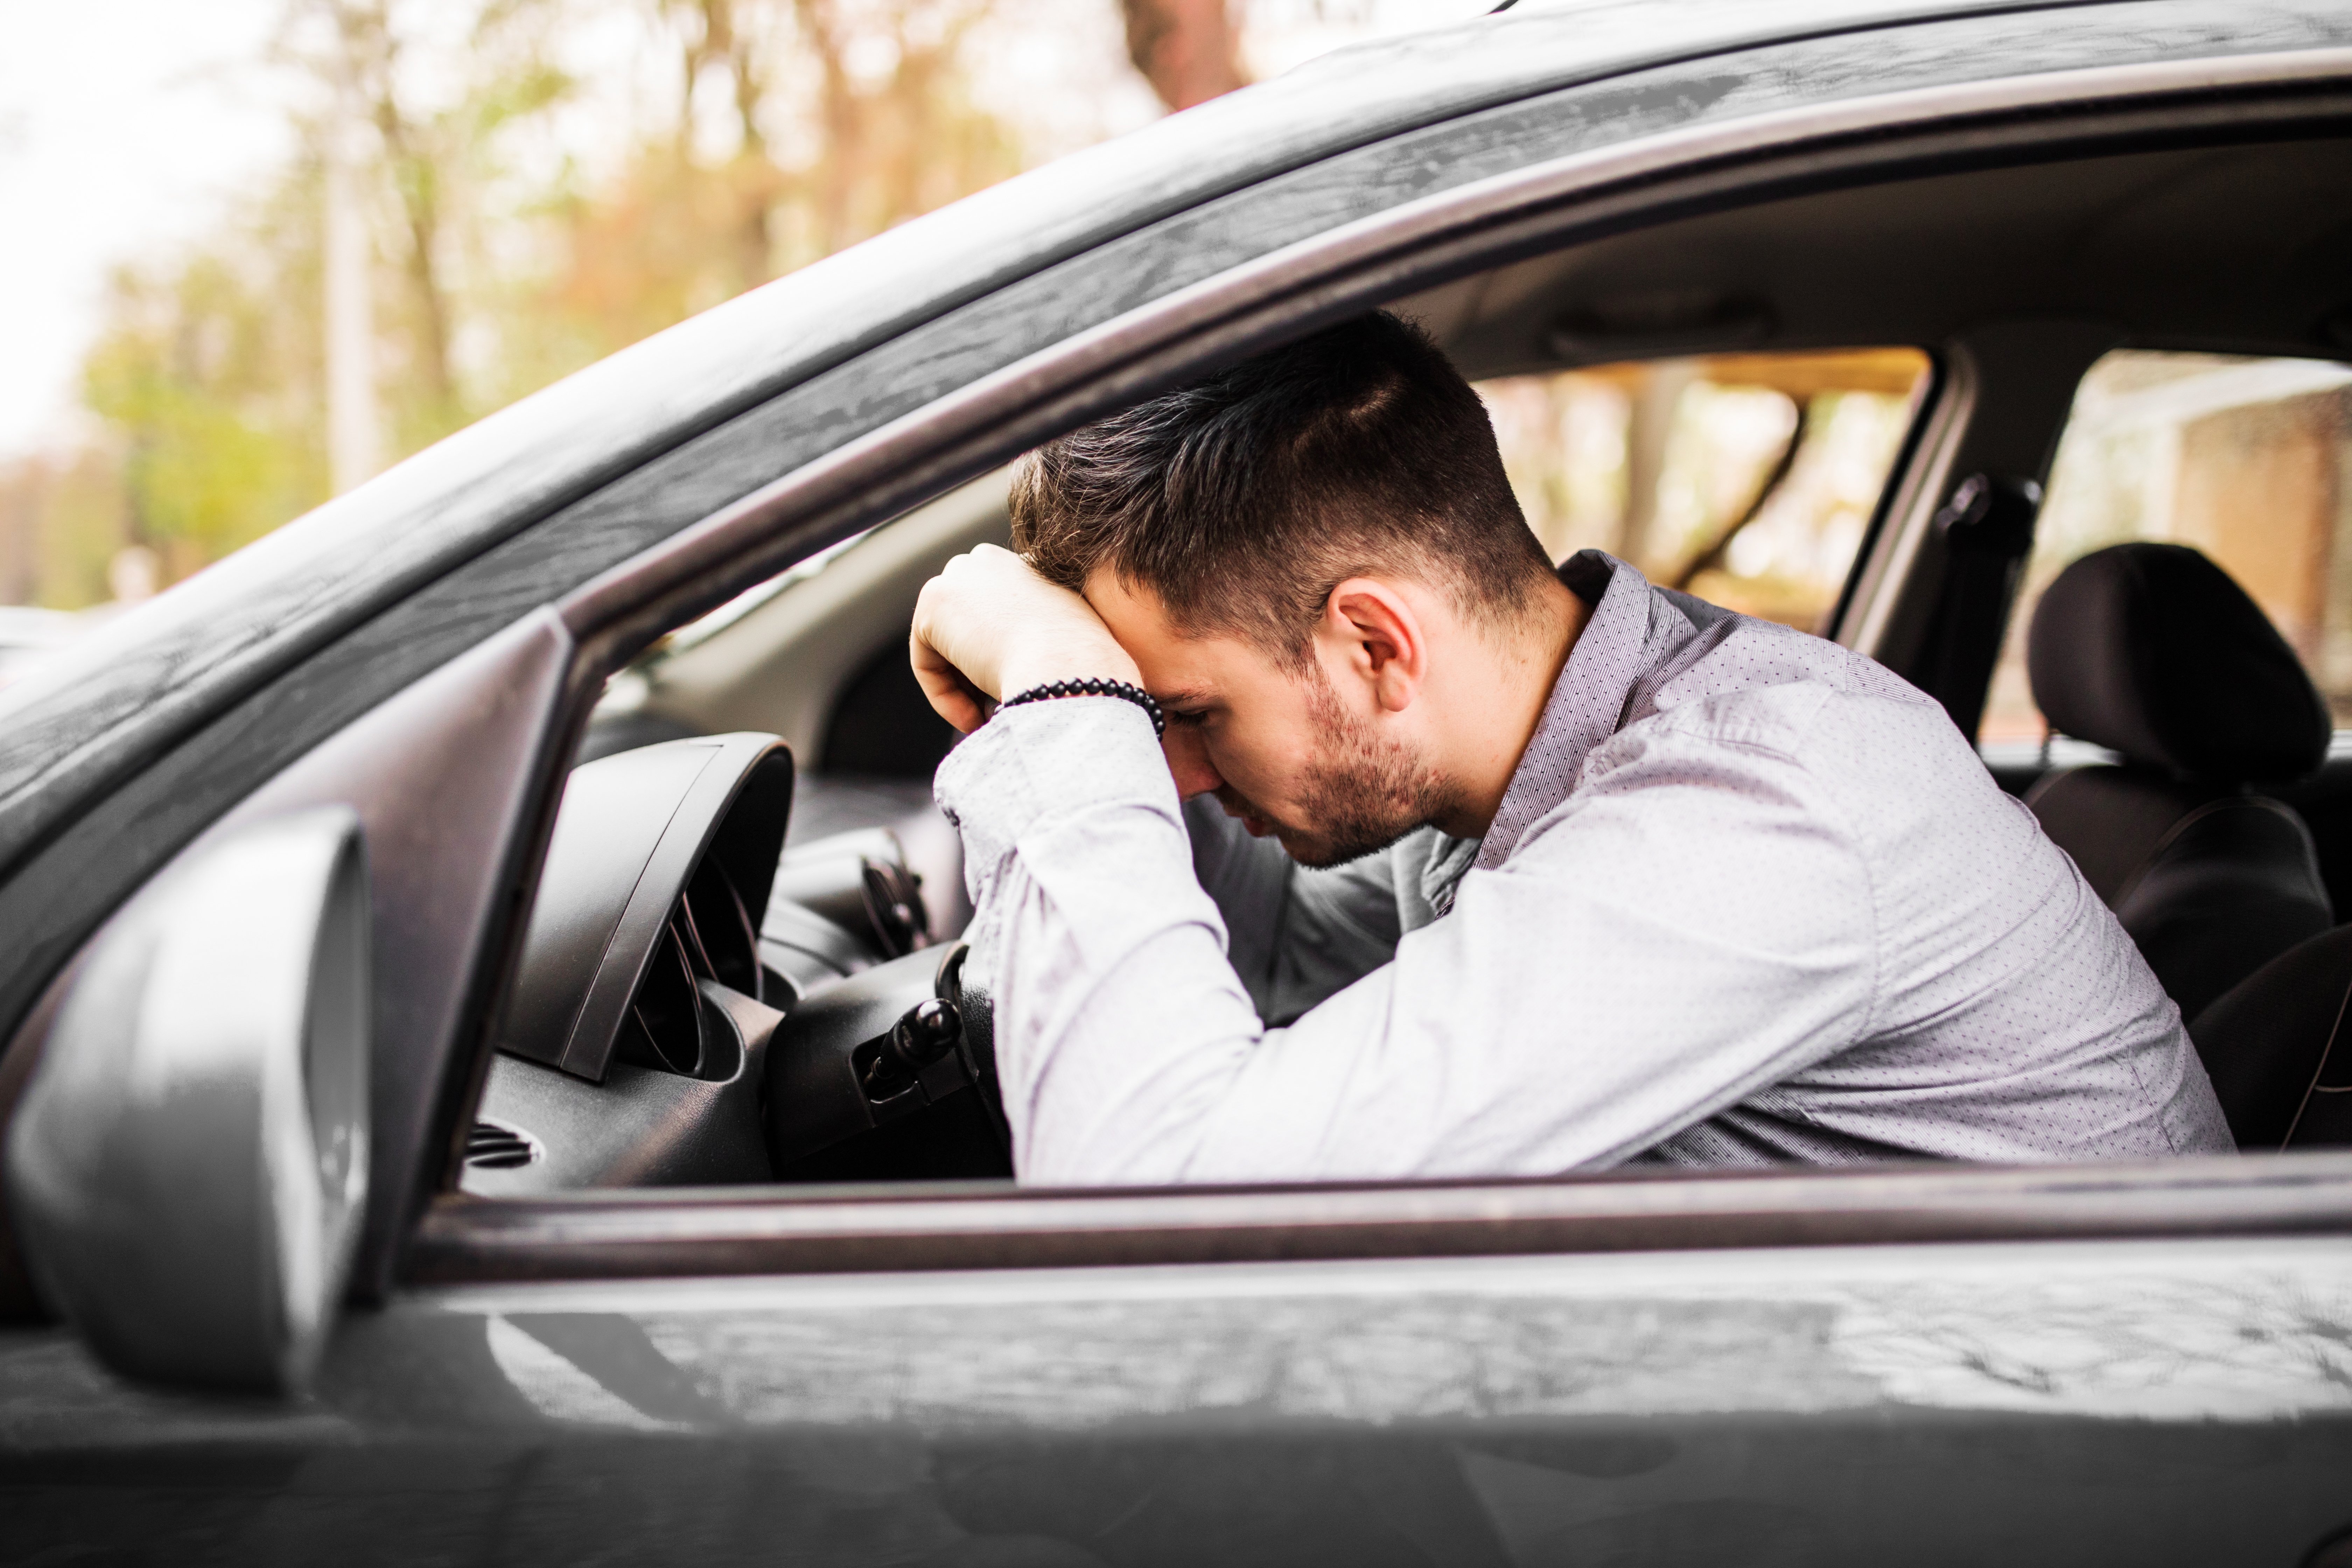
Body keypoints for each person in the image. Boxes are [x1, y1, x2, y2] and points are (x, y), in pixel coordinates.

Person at [908, 310, 2231, 1186]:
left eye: (1188, 718)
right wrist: (1089, 706)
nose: (1175, 774)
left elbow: (1153, 1207)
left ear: (1376, 648)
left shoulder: (1760, 806)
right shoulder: (1528, 758)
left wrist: (1065, 718)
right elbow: (1267, 956)